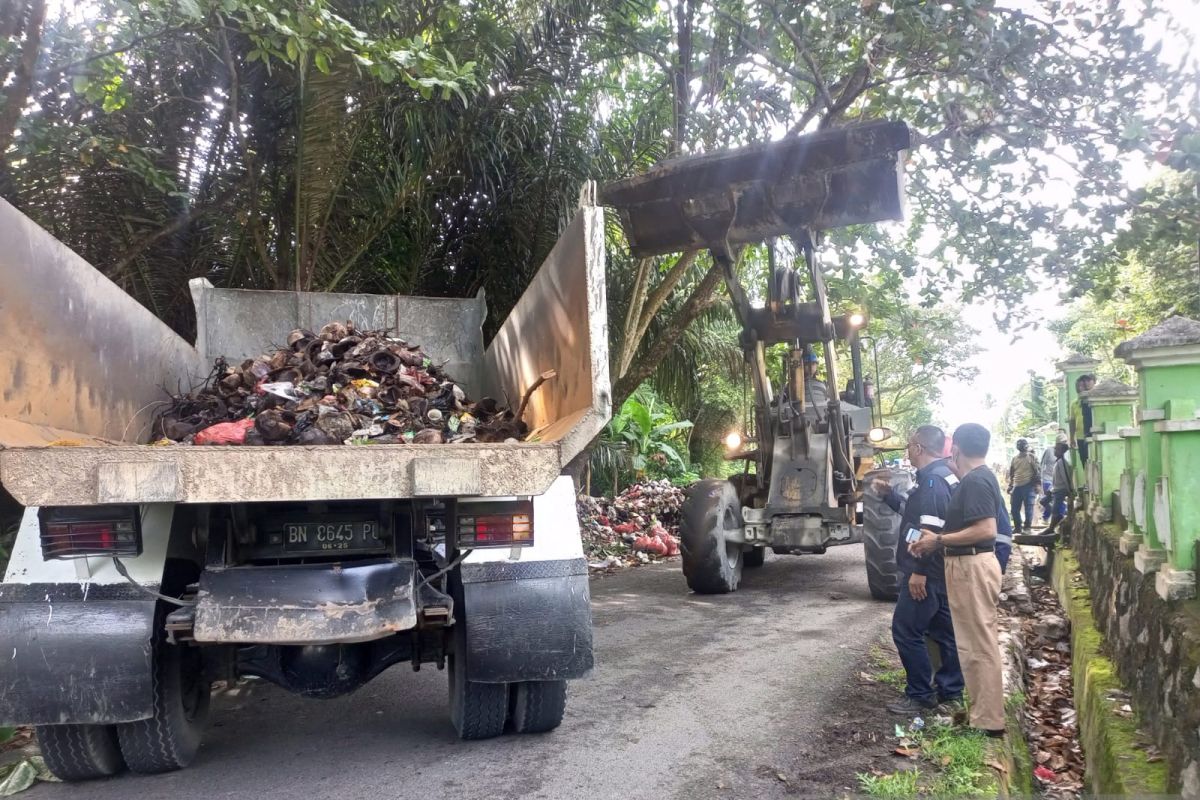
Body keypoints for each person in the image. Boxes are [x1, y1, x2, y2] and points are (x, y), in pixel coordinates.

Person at [910, 423, 1006, 737]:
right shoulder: (975, 479)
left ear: (956, 448)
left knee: (980, 646)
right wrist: (937, 539)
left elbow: (986, 530)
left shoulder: (977, 480)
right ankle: (981, 713)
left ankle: (989, 721)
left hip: (973, 566)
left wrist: (938, 541)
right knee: (971, 645)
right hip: (968, 565)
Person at [870, 425, 963, 715]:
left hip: (928, 572)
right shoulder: (940, 477)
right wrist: (889, 496)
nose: (907, 450)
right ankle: (951, 690)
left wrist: (919, 571)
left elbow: (930, 530)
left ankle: (920, 693)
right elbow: (916, 515)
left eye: (910, 445)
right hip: (942, 572)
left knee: (906, 629)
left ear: (919, 448)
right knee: (943, 631)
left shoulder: (933, 482)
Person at [1006, 438, 1040, 532]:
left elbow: (1037, 471)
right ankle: (1018, 527)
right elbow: (1012, 473)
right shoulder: (1015, 459)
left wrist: (1037, 485)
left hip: (1029, 485)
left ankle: (1027, 527)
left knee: (1028, 507)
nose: (1021, 446)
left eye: (1023, 444)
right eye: (1020, 445)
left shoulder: (1032, 457)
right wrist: (1010, 485)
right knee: (1014, 509)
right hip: (1017, 486)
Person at [1043, 441, 1075, 536]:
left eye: (1057, 449)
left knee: (1055, 509)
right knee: (1051, 506)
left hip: (1061, 489)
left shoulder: (1062, 462)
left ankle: (1051, 528)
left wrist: (1069, 490)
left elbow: (1065, 477)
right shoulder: (1058, 462)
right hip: (1056, 489)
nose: (1054, 451)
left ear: (1062, 451)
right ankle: (1056, 524)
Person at [1069, 374, 1096, 469]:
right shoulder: (1074, 403)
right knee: (1084, 461)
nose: (1080, 388)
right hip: (1080, 436)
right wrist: (1072, 437)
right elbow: (1072, 421)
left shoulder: (1095, 400)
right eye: (1078, 385)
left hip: (1093, 435)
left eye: (1082, 385)